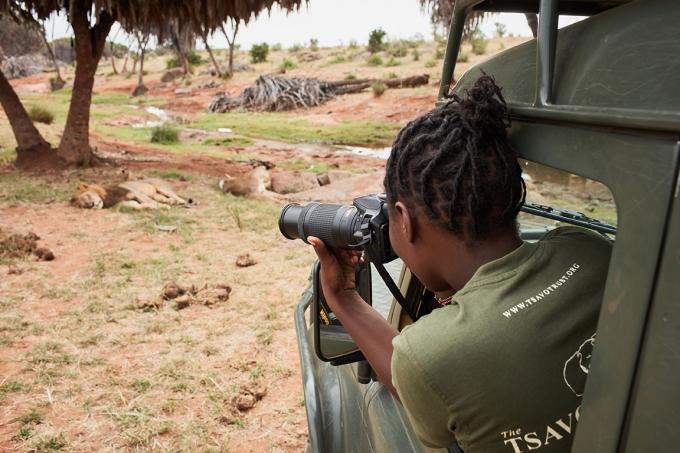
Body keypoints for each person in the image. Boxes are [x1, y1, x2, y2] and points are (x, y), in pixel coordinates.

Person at [308, 75, 612, 453]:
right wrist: (346, 298)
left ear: (403, 219)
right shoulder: (588, 249)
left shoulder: (432, 354)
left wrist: (341, 298)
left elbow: (419, 377)